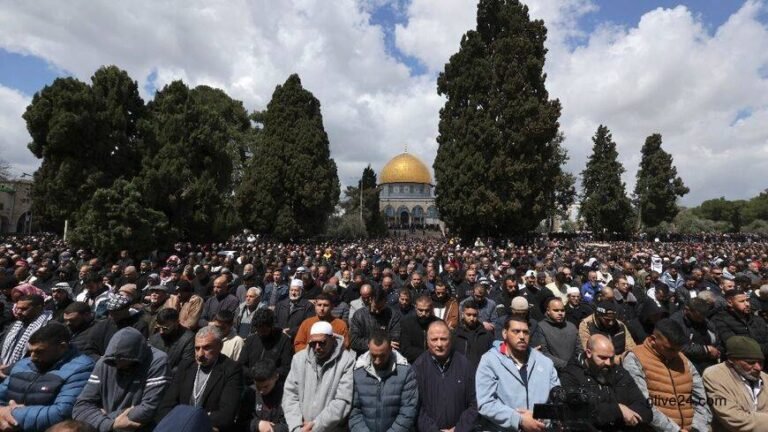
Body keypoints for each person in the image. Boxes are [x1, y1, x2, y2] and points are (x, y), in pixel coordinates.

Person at [0, 323, 95, 431]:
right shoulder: (23, 364)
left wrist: (11, 413)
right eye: (30, 351)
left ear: (62, 347)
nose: (32, 357)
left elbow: (61, 412)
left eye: (39, 352)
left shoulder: (80, 368)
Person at [73, 327, 170, 432]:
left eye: (124, 361)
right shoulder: (105, 363)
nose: (118, 365)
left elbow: (149, 409)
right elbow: (80, 407)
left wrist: (101, 417)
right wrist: (110, 424)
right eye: (114, 362)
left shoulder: (157, 361)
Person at [623, 319, 711, 432]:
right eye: (670, 349)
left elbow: (700, 398)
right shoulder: (635, 358)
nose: (675, 354)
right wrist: (675, 430)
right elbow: (643, 403)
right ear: (653, 340)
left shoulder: (683, 360)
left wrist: (697, 428)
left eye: (678, 350)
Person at [476, 316, 559, 431]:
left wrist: (540, 418)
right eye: (516, 331)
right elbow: (485, 403)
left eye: (525, 332)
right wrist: (519, 420)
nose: (522, 336)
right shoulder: (490, 361)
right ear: (505, 333)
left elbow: (557, 403)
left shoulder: (545, 363)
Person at [157, 326, 244, 431]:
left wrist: (189, 420)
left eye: (206, 348)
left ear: (220, 346)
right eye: (197, 348)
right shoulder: (185, 366)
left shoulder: (231, 370)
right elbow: (165, 406)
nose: (200, 354)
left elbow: (226, 416)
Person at [560, 334, 652, 431]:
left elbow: (645, 408)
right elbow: (579, 411)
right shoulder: (571, 375)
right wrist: (618, 410)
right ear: (588, 353)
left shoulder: (619, 372)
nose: (608, 363)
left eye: (611, 358)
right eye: (603, 358)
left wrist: (627, 415)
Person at [282, 321, 355, 432]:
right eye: (313, 343)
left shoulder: (346, 361)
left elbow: (342, 401)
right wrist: (297, 426)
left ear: (332, 339)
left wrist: (316, 426)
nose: (317, 347)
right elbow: (290, 395)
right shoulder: (299, 359)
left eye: (322, 343)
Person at [412, 320, 477, 432]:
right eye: (434, 339)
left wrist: (459, 429)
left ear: (450, 340)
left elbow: (475, 403)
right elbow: (415, 408)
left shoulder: (465, 365)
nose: (439, 344)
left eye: (443, 339)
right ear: (427, 341)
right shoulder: (418, 368)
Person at [349, 329, 418, 432]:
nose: (377, 361)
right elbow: (354, 411)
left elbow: (408, 411)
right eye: (374, 355)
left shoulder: (405, 372)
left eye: (382, 356)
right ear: (368, 347)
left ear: (390, 349)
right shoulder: (358, 372)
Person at [703, 336, 768, 431]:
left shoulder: (765, 378)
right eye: (751, 362)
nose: (758, 368)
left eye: (761, 362)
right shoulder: (714, 375)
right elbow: (734, 418)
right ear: (731, 360)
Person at [0, 294, 53, 377]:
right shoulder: (15, 325)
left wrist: (10, 368)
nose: (18, 312)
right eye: (17, 308)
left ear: (39, 308)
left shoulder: (48, 327)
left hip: (26, 374)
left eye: (24, 309)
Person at [711, 289, 768, 361]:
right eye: (742, 301)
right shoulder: (720, 320)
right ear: (730, 302)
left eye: (747, 300)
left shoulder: (756, 319)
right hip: (742, 362)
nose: (747, 304)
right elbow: (736, 346)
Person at [239, 309, 294, 382]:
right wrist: (253, 374)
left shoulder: (284, 341)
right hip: (251, 382)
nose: (261, 333)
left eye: (264, 331)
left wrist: (267, 374)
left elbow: (286, 368)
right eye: (258, 330)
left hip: (273, 383)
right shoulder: (251, 340)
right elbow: (241, 365)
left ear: (271, 326)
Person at [670, 298, 720, 374]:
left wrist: (717, 350)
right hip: (693, 362)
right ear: (687, 310)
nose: (701, 319)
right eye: (698, 317)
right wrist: (706, 349)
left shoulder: (703, 319)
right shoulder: (675, 322)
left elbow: (715, 334)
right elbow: (680, 346)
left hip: (711, 357)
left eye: (703, 317)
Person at [531, 297, 583, 372]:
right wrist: (565, 365)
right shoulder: (540, 327)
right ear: (548, 311)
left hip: (574, 370)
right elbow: (543, 353)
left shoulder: (571, 327)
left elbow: (579, 349)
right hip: (552, 370)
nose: (560, 313)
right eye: (556, 310)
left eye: (562, 310)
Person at [350, 286, 402, 356]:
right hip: (364, 355)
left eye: (380, 308)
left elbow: (395, 338)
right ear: (370, 300)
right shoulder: (359, 315)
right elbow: (354, 341)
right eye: (375, 308)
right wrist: (377, 344)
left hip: (387, 355)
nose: (377, 311)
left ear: (385, 302)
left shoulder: (393, 315)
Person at [148, 308, 195, 374]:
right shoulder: (155, 338)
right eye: (159, 327)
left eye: (165, 328)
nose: (161, 332)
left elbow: (184, 366)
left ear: (176, 323)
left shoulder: (188, 339)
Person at [453, 299, 494, 369]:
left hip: (480, 372)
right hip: (460, 371)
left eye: (474, 315)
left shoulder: (486, 335)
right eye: (468, 315)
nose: (472, 318)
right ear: (463, 314)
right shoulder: (455, 334)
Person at [399, 295, 438, 363]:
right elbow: (405, 349)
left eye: (427, 310)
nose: (423, 313)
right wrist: (428, 354)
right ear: (415, 308)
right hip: (413, 362)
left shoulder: (438, 324)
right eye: (420, 310)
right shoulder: (406, 323)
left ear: (432, 309)